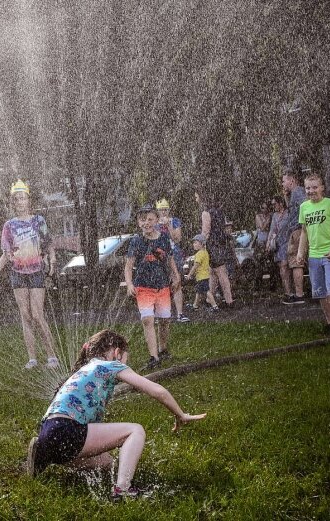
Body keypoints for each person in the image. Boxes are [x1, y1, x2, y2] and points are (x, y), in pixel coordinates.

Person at [25, 329, 206, 500]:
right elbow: (157, 391)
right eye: (125, 360)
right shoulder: (110, 366)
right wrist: (180, 414)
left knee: (108, 463)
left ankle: (43, 455)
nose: (125, 365)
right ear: (117, 353)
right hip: (66, 432)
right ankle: (123, 490)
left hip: (50, 432)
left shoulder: (84, 370)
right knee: (135, 431)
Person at [0, 179, 60, 370]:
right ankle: (32, 358)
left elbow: (48, 243)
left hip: (36, 271)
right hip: (18, 274)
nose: (21, 202)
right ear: (13, 203)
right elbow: (6, 254)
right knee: (25, 316)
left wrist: (52, 260)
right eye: (17, 199)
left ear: (29, 200)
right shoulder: (9, 226)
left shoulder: (39, 221)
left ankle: (52, 356)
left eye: (23, 198)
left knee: (38, 315)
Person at [124, 204, 182, 371]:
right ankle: (153, 356)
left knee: (164, 320)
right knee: (147, 320)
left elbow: (170, 259)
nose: (146, 223)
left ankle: (163, 349)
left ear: (157, 220)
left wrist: (176, 276)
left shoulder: (163, 238)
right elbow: (128, 266)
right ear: (138, 222)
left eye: (150, 219)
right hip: (143, 287)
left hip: (162, 285)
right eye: (143, 220)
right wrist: (129, 283)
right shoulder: (136, 241)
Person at [296, 174, 330, 336]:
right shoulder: (304, 207)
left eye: (314, 187)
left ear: (322, 187)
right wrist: (300, 252)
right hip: (314, 255)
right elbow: (304, 232)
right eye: (308, 188)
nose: (311, 191)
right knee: (320, 292)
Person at [194, 188, 234, 307]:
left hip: (212, 246)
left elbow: (205, 232)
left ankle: (229, 301)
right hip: (220, 244)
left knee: (221, 273)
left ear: (202, 198)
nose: (195, 199)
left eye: (196, 197)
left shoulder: (206, 213)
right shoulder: (218, 211)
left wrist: (200, 245)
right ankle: (210, 299)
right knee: (212, 272)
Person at [156, 198, 189, 323]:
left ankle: (180, 313)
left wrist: (169, 226)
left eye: (165, 209)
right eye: (160, 210)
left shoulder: (174, 221)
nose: (163, 212)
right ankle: (160, 313)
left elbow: (177, 239)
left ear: (169, 210)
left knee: (176, 282)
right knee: (159, 284)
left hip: (174, 254)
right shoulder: (154, 223)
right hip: (160, 256)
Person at [281, 170, 307, 304]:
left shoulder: (298, 192)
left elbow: (304, 206)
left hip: (297, 231)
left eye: (284, 180)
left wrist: (301, 227)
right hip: (297, 230)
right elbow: (292, 210)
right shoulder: (294, 194)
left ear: (291, 180)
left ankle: (299, 295)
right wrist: (286, 196)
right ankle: (300, 293)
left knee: (296, 262)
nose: (282, 183)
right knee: (295, 261)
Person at [185, 234, 219, 312]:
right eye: (193, 243)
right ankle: (195, 306)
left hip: (201, 276)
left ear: (202, 244)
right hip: (204, 276)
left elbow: (195, 265)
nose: (194, 244)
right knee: (198, 291)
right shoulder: (205, 252)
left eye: (196, 243)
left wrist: (189, 274)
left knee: (207, 292)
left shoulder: (199, 254)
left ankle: (215, 306)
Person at [266, 195, 290, 297]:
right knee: (282, 267)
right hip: (279, 244)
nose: (273, 206)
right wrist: (268, 242)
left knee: (288, 266)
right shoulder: (275, 215)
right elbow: (272, 229)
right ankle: (288, 291)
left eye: (274, 204)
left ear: (280, 203)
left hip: (289, 241)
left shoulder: (288, 213)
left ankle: (293, 291)